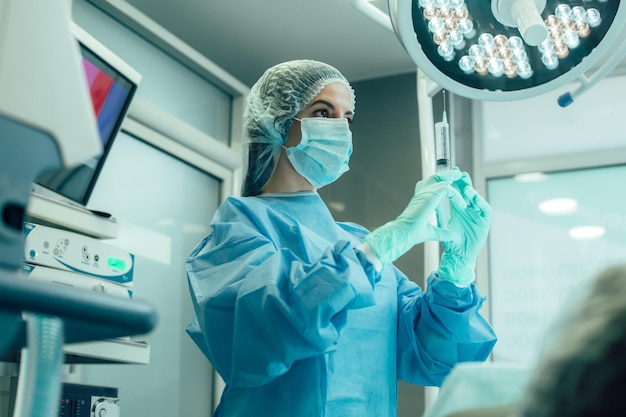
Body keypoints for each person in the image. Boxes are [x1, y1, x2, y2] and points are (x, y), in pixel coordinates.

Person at [185, 59, 497, 417]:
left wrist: (457, 271)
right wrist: (373, 253)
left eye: (347, 118)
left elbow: (437, 360)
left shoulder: (356, 241)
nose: (340, 129)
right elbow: (263, 331)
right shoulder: (239, 228)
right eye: (323, 111)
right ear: (277, 123)